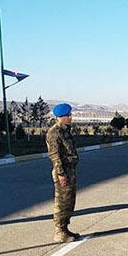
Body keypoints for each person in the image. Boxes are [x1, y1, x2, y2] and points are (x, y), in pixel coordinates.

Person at [46, 103, 80, 243]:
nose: (71, 117)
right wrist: (61, 174)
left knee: (69, 201)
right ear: (61, 117)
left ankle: (65, 228)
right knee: (61, 202)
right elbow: (55, 155)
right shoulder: (54, 132)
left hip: (70, 170)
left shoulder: (65, 131)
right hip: (63, 172)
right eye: (68, 115)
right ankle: (59, 231)